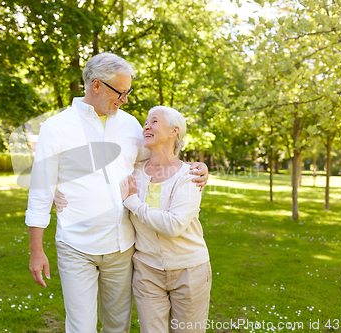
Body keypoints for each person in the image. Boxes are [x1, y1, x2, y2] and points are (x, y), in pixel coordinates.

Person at [25, 53, 208, 333]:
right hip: (76, 246)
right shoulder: (56, 128)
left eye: (128, 92)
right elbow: (39, 191)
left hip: (122, 247)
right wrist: (36, 250)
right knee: (81, 327)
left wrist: (197, 168)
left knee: (117, 327)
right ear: (96, 86)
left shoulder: (130, 124)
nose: (125, 100)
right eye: (120, 92)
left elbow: (161, 157)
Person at [120, 106, 211, 333]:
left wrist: (133, 202)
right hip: (147, 271)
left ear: (173, 132)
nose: (146, 126)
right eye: (146, 122)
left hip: (189, 270)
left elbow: (174, 225)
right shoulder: (134, 171)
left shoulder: (190, 175)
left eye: (154, 121)